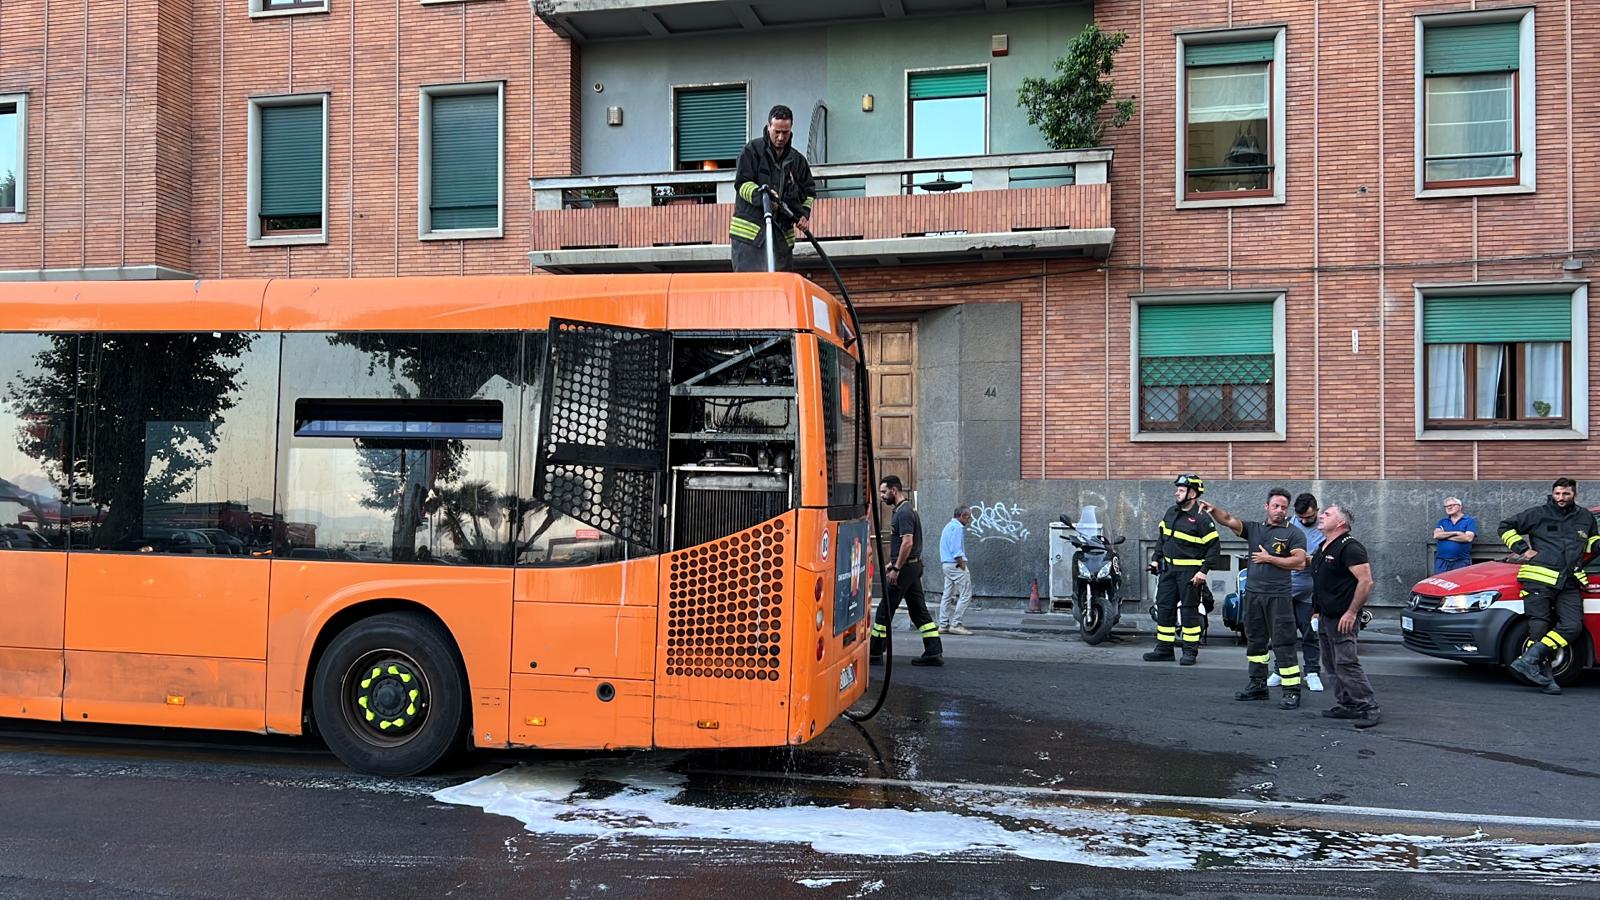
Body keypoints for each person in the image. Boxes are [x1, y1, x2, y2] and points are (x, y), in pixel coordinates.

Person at [1202, 489, 1308, 709]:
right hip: (1253, 595)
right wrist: (1213, 511)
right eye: (1276, 506)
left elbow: (1299, 562)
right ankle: (1258, 685)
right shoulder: (1255, 529)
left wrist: (1269, 558)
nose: (1280, 510)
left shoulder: (1294, 533)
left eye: (1283, 507)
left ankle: (1291, 690)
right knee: (1255, 641)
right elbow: (1229, 520)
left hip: (1278, 596)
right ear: (1266, 507)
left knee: (1283, 642)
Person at [1497, 477, 1599, 695]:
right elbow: (1505, 527)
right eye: (1558, 494)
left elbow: (1592, 542)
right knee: (1539, 627)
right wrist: (1522, 549)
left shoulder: (1585, 517)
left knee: (1573, 626)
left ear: (1575, 494)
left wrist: (1595, 544)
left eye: (1566, 494)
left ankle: (1528, 659)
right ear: (1553, 494)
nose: (1561, 498)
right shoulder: (1538, 513)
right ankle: (1546, 679)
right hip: (1539, 579)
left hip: (1569, 580)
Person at [1310, 504, 1380, 727]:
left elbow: (1366, 581)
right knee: (1330, 664)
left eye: (1327, 514)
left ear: (1341, 523)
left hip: (1343, 617)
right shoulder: (1323, 547)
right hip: (1325, 617)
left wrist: (1351, 612)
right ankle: (1347, 704)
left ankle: (1368, 707)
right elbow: (1321, 583)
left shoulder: (1350, 547)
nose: (1321, 516)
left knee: (1346, 663)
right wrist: (1317, 612)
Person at [1143, 474, 1220, 667]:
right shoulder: (1171, 512)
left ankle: (1190, 651)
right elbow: (1162, 538)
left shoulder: (1202, 518)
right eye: (1177, 489)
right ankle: (1164, 649)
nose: (1176, 492)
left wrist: (1203, 571)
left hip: (1189, 573)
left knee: (1188, 612)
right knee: (1165, 609)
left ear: (1192, 493)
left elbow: (1214, 547)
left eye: (1181, 489)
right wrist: (1155, 560)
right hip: (1168, 571)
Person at [730, 105, 816, 273]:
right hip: (750, 239)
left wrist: (804, 214)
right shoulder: (751, 151)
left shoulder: (798, 161)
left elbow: (809, 192)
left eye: (785, 132)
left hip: (781, 240)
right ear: (768, 126)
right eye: (776, 131)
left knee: (780, 290)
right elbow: (741, 184)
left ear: (791, 129)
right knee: (751, 290)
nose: (780, 137)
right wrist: (763, 197)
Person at [869, 476, 944, 666]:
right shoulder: (907, 510)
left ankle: (875, 653)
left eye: (884, 492)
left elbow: (907, 542)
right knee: (919, 611)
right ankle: (933, 652)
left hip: (905, 569)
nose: (882, 496)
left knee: (884, 610)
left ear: (894, 490)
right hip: (912, 567)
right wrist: (893, 562)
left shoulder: (903, 513)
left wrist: (896, 568)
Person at [1274, 492, 1324, 693]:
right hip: (1285, 588)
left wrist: (1312, 560)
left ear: (1317, 511)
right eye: (1301, 517)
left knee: (1310, 634)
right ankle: (1280, 671)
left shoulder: (1324, 526)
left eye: (1309, 517)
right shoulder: (1289, 524)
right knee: (1282, 634)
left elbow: (1331, 556)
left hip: (1309, 592)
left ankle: (1312, 672)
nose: (1304, 520)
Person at [938, 506, 974, 635]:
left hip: (946, 565)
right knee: (966, 594)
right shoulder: (958, 527)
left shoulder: (948, 526)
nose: (969, 519)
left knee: (947, 595)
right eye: (968, 516)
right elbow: (956, 549)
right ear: (962, 516)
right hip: (955, 565)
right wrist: (962, 563)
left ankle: (943, 624)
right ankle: (956, 624)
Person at [1432, 497, 1477, 574]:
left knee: (1460, 584)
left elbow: (1468, 538)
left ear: (1460, 506)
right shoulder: (1442, 521)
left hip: (1461, 562)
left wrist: (1445, 536)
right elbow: (1436, 535)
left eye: (1452, 505)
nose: (1449, 507)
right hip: (1442, 561)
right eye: (1446, 506)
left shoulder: (1469, 520)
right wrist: (1456, 533)